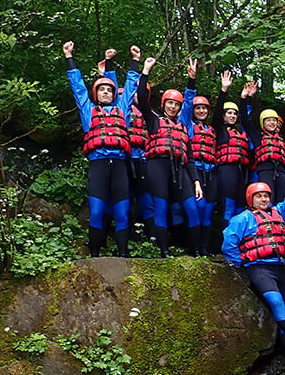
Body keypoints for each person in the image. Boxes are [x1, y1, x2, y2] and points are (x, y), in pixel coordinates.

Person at [222, 155, 285, 368]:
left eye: (266, 196)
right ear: (251, 200)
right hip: (260, 269)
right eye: (259, 197)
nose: (264, 199)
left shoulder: (279, 212)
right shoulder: (243, 219)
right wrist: (240, 262)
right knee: (276, 303)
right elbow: (228, 242)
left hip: (282, 269)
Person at [63, 40, 141, 257]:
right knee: (97, 211)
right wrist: (69, 56)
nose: (106, 92)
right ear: (96, 94)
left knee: (122, 212)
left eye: (109, 90)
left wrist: (135, 61)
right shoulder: (88, 111)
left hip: (118, 165)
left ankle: (123, 255)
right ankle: (95, 255)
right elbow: (77, 87)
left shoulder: (122, 111)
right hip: (98, 165)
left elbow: (132, 84)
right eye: (102, 90)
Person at [136, 56, 203, 256]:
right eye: (170, 103)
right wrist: (146, 71)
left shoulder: (183, 127)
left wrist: (197, 181)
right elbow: (142, 96)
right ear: (164, 104)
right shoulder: (154, 121)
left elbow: (189, 159)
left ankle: (198, 251)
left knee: (192, 208)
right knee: (161, 208)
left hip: (180, 169)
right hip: (157, 167)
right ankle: (164, 251)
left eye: (176, 104)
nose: (173, 107)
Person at [97, 49, 155, 238]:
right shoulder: (120, 110)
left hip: (143, 161)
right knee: (119, 198)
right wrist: (108, 65)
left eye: (141, 93)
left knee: (145, 199)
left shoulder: (150, 115)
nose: (136, 96)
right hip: (124, 158)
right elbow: (111, 85)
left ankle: (147, 236)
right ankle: (110, 235)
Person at [211, 71, 254, 224]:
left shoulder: (241, 133)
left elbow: (246, 118)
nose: (232, 116)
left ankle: (238, 243)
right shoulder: (220, 130)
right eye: (229, 113)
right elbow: (216, 113)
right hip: (226, 170)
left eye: (235, 114)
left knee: (240, 209)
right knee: (228, 207)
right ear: (223, 115)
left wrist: (246, 98)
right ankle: (225, 244)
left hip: (242, 171)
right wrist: (224, 90)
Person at [183, 93, 218, 256]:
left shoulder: (212, 130)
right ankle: (194, 247)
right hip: (195, 169)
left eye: (204, 108)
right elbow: (187, 106)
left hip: (211, 172)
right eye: (198, 108)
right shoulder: (188, 126)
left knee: (208, 213)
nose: (201, 111)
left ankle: (204, 248)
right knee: (198, 207)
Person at [246, 87, 285, 203]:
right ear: (263, 123)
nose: (272, 123)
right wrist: (247, 98)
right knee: (267, 201)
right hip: (265, 172)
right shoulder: (257, 138)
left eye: (274, 120)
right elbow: (245, 121)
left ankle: (282, 221)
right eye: (268, 120)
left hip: (280, 172)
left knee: (283, 202)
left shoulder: (281, 140)